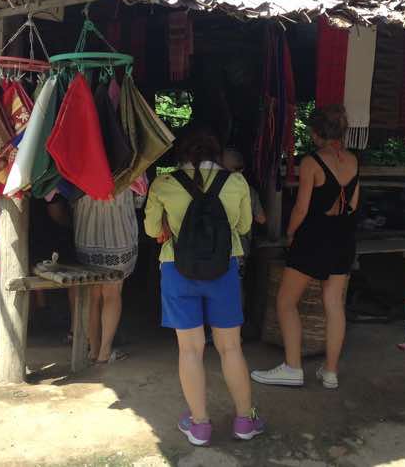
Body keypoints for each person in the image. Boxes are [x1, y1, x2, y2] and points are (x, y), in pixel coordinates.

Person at [144, 125, 265, 446]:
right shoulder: (236, 182)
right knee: (230, 347)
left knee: (190, 349)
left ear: (180, 152)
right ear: (217, 152)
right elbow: (242, 226)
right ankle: (245, 421)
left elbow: (152, 228)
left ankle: (199, 425)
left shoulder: (164, 184)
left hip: (176, 269)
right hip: (223, 269)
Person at [251, 104, 359, 390]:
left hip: (314, 237)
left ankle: (293, 367)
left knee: (286, 302)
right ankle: (331, 373)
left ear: (315, 132)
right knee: (334, 305)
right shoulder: (354, 161)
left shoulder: (311, 162)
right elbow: (353, 205)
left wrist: (290, 232)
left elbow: (301, 208)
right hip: (344, 237)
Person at [73, 188, 139, 364]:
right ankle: (105, 352)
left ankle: (93, 350)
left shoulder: (82, 161)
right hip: (119, 234)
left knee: (92, 295)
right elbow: (140, 198)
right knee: (112, 292)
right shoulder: (128, 161)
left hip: (87, 232)